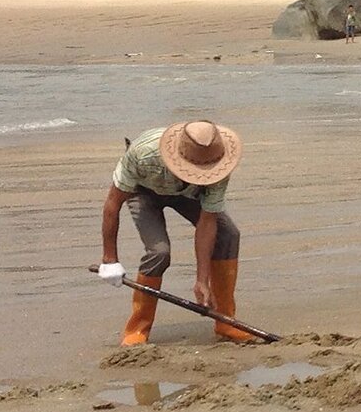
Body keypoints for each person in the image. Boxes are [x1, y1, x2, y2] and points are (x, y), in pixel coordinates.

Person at [98, 119, 259, 346]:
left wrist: (202, 281)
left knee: (228, 235)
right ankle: (137, 329)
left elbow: (207, 221)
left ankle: (225, 321)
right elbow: (112, 204)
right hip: (143, 190)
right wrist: (110, 259)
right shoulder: (142, 154)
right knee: (159, 252)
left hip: (189, 194)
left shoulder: (219, 163)